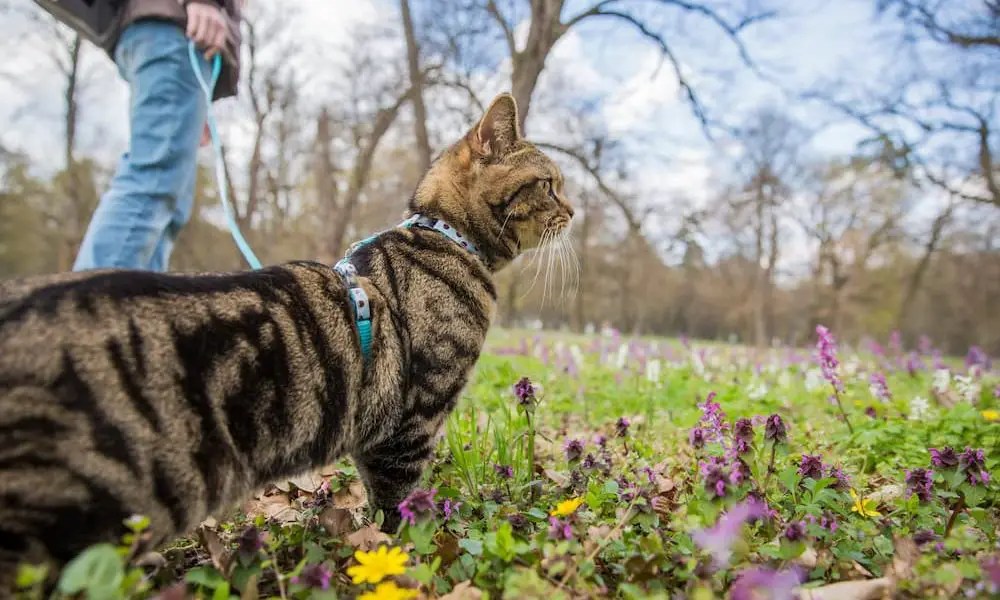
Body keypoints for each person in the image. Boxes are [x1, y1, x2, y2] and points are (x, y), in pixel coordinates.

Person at [35, 0, 243, 271]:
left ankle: (137, 306)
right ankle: (92, 306)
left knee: (169, 205)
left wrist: (203, 104)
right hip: (176, 29)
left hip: (172, 35)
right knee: (154, 184)